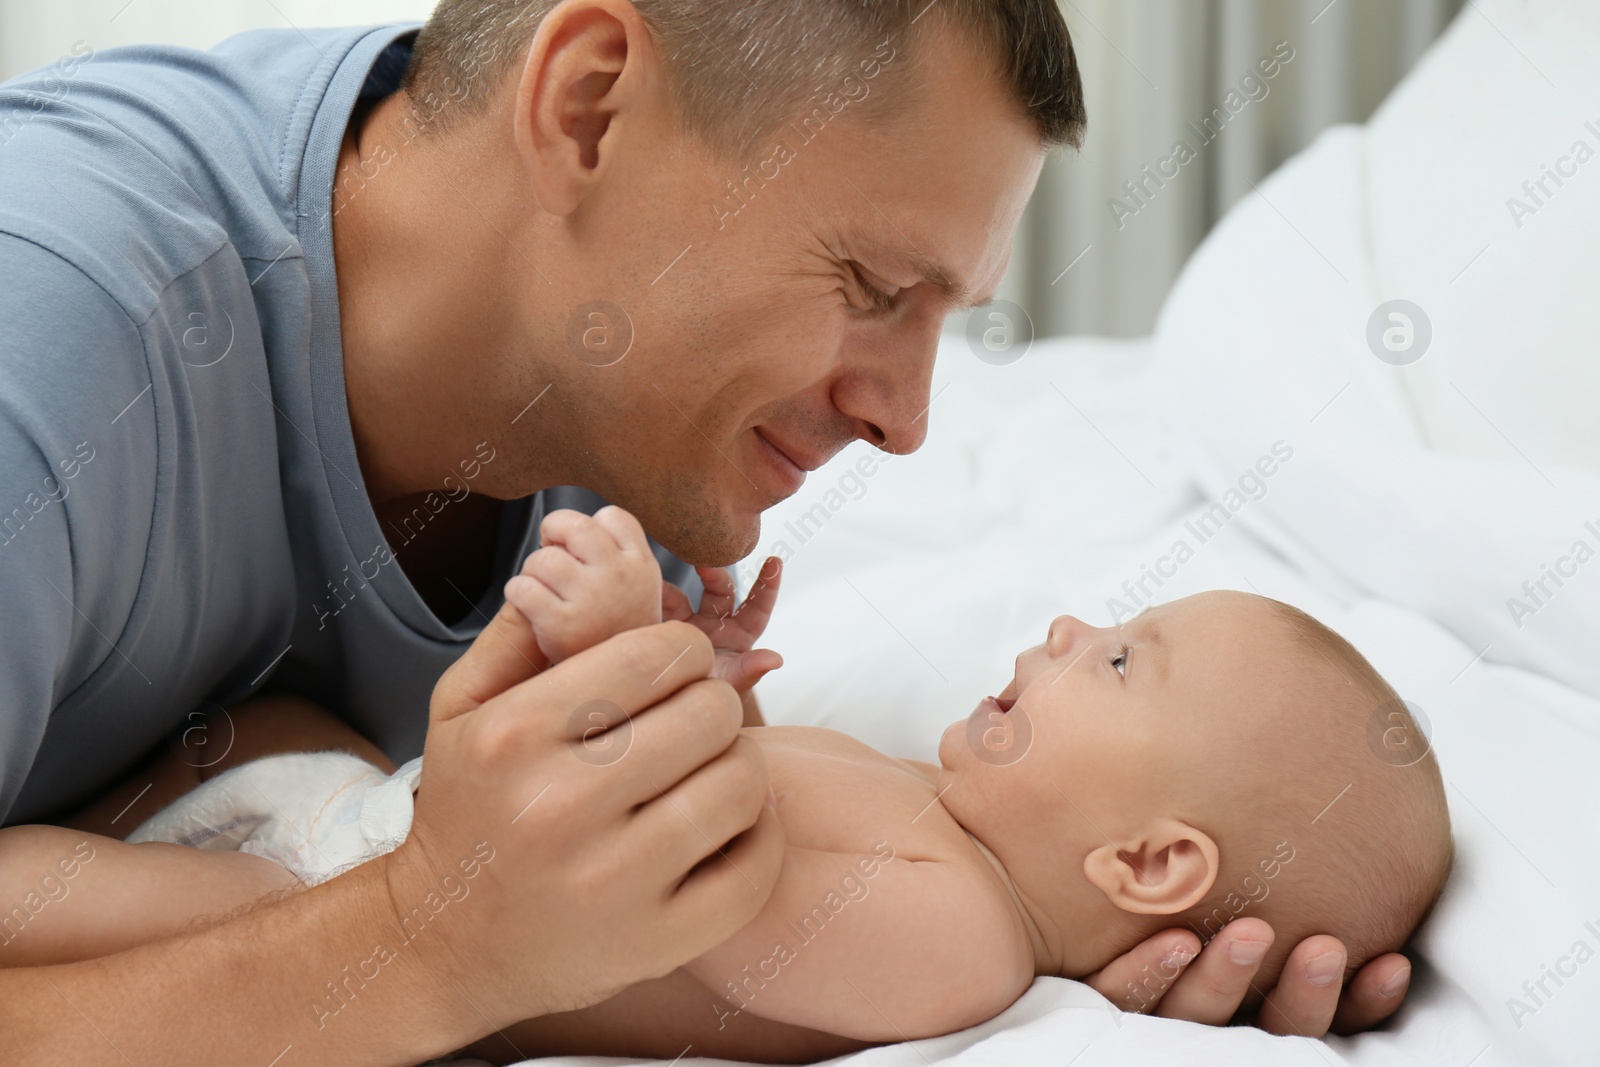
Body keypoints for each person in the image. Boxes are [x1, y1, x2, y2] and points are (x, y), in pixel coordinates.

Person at [0, 1, 1413, 1060]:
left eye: (949, 321)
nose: (911, 422)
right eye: (870, 281)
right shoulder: (51, 349)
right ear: (591, 108)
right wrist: (423, 945)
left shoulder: (637, 437)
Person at [0, 505, 1450, 1063]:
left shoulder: (963, 938)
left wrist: (643, 662)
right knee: (256, 722)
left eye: (1125, 667)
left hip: (326, 908)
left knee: (66, 908)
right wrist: (708, 678)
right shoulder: (927, 813)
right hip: (379, 821)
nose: (1072, 631)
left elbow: (693, 895)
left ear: (1147, 868)